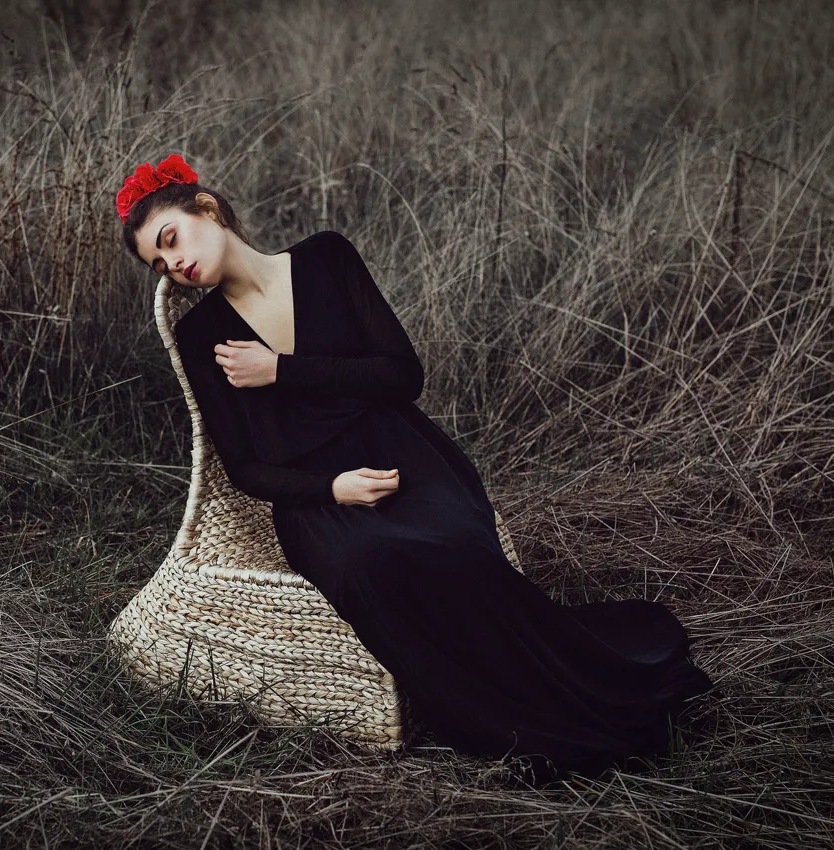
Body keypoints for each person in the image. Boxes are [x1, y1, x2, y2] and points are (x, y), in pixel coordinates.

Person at [116, 153, 715, 784]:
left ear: (206, 208)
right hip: (319, 499)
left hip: (403, 452)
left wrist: (281, 370)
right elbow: (244, 467)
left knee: (453, 545)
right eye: (159, 263)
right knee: (367, 563)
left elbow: (402, 376)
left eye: (171, 238)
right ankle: (494, 717)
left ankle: (565, 682)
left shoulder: (326, 258)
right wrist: (333, 489)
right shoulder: (201, 334)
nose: (174, 264)